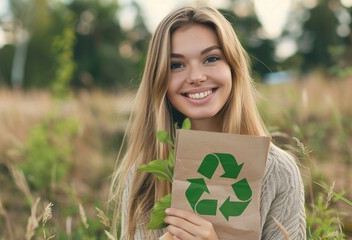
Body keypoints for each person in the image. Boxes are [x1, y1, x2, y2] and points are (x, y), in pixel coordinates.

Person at [110, 3, 306, 240]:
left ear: (233, 68)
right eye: (176, 65)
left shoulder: (278, 173)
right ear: (159, 78)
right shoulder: (143, 175)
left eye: (211, 58)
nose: (196, 77)